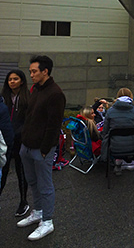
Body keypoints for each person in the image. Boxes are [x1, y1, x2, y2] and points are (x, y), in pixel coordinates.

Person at [17, 55, 65, 241]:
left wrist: (45, 149)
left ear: (45, 71)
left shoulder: (55, 93)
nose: (31, 75)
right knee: (33, 181)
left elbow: (54, 125)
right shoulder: (36, 89)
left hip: (41, 149)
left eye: (34, 71)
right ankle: (37, 212)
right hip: (27, 146)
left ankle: (47, 221)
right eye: (30, 71)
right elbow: (30, 117)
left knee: (45, 185)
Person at [1, 69, 30, 217]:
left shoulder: (27, 98)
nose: (12, 82)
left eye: (15, 79)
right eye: (10, 79)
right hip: (5, 140)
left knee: (21, 171)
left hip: (20, 140)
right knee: (3, 171)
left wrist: (20, 133)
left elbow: (29, 120)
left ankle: (23, 201)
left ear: (22, 81)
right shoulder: (4, 97)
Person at [101, 88, 134, 175]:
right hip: (132, 146)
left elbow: (105, 130)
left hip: (114, 146)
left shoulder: (110, 111)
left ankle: (117, 164)